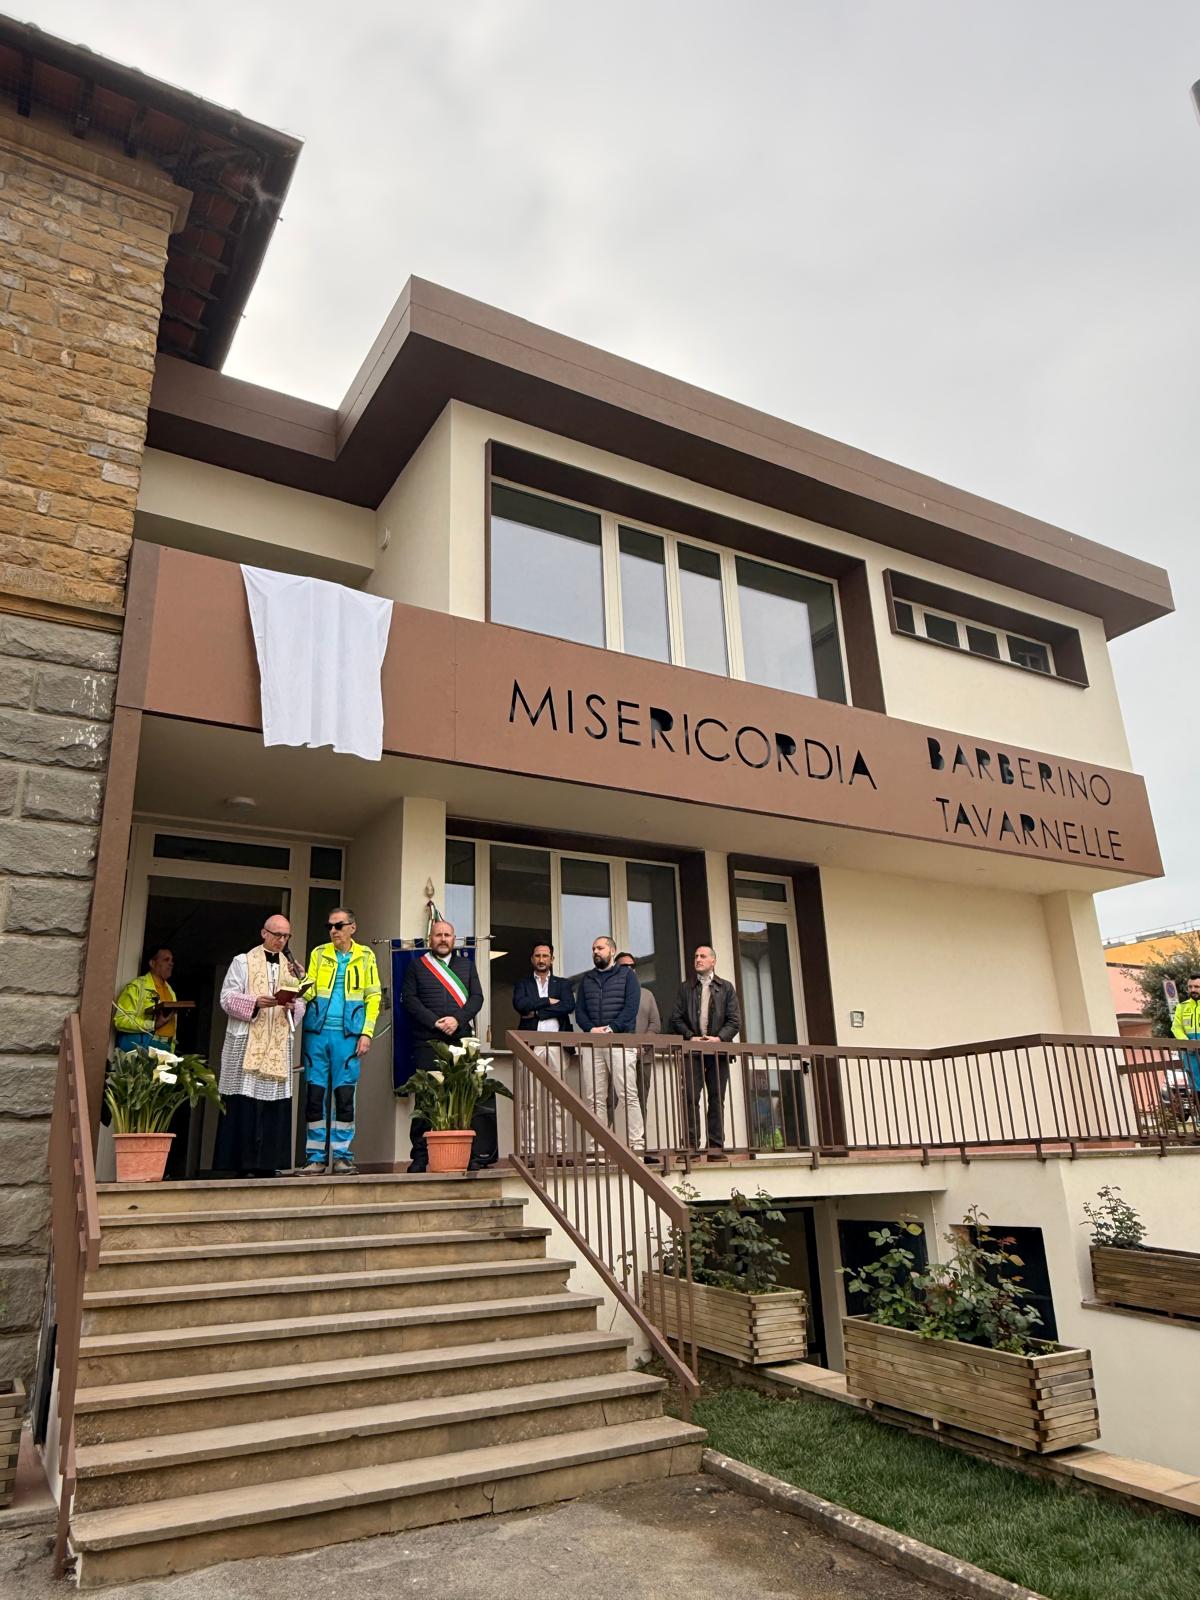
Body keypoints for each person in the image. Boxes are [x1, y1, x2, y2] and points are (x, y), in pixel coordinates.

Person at [214, 914, 306, 1178]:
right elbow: (227, 997)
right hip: (247, 1039)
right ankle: (241, 1164)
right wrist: (254, 1002)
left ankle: (268, 1162)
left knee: (273, 1105)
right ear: (263, 933)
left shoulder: (292, 967)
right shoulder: (242, 962)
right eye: (277, 934)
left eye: (286, 936)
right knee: (244, 1101)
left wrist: (292, 1005)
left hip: (276, 1042)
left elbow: (301, 1002)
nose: (281, 940)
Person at [401, 918, 491, 1172]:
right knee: (426, 1098)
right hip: (428, 1040)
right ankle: (420, 1157)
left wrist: (458, 1019)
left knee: (464, 1096)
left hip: (460, 1039)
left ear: (454, 939)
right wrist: (435, 1022)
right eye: (438, 935)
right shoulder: (417, 967)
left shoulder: (467, 965)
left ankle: (468, 1154)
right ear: (430, 939)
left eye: (447, 935)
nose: (443, 939)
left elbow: (477, 997)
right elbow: (410, 1000)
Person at [300, 907, 381, 1175]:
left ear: (352, 928)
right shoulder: (319, 953)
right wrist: (300, 982)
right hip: (317, 1035)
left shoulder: (366, 955)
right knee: (315, 1096)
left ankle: (343, 1157)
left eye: (338, 925)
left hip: (348, 1037)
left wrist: (366, 1033)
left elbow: (373, 997)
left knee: (345, 1097)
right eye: (330, 926)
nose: (333, 931)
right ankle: (315, 1158)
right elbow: (309, 991)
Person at [668, 945, 742, 1160]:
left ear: (713, 961)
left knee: (717, 1098)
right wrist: (691, 1036)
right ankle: (691, 1148)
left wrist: (718, 1038)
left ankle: (715, 1149)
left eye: (703, 956)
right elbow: (676, 1018)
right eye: (696, 956)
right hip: (693, 1051)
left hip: (718, 1051)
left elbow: (734, 1021)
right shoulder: (686, 988)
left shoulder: (726, 988)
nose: (698, 959)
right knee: (690, 1097)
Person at [575, 935, 644, 1155]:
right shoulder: (587, 979)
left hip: (620, 1042)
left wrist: (612, 1028)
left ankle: (637, 1144)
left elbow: (631, 1008)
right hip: (593, 1043)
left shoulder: (627, 976)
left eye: (600, 948)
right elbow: (580, 1012)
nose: (596, 951)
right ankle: (598, 1148)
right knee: (594, 1097)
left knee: (628, 1094)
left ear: (612, 951)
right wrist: (590, 1029)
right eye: (594, 948)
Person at [512, 942, 575, 1153]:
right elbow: (521, 1005)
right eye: (537, 956)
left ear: (552, 959)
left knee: (558, 1099)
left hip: (557, 1044)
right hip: (531, 1043)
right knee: (529, 1100)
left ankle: (558, 1149)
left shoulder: (563, 984)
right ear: (532, 959)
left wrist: (538, 1012)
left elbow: (568, 1005)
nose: (541, 959)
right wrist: (548, 1000)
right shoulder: (522, 983)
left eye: (545, 956)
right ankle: (528, 1150)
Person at [615, 950, 660, 1121]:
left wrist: (643, 1045)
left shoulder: (647, 994)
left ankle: (639, 1145)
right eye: (624, 966)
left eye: (632, 966)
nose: (629, 969)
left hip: (643, 1057)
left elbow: (655, 1024)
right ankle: (601, 1145)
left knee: (640, 1102)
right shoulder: (611, 995)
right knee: (610, 1100)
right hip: (617, 1055)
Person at [112, 947, 178, 1052]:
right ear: (152, 963)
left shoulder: (171, 992)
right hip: (142, 1049)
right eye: (166, 960)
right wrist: (153, 1025)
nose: (171, 963)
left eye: (171, 960)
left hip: (166, 1049)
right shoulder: (137, 986)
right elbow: (120, 1021)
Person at [1169, 973, 1200, 1096]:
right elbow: (1176, 1028)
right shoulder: (1181, 1007)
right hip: (1190, 1052)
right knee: (1196, 1086)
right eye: (1190, 987)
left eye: (1197, 987)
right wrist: (1187, 1042)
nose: (1193, 990)